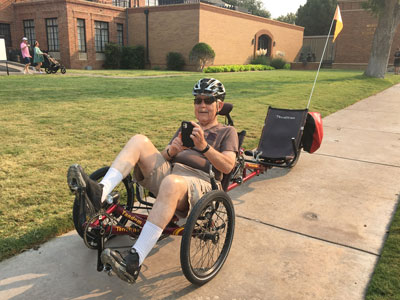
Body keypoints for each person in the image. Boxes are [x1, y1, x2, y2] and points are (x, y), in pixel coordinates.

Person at [67, 78, 239, 284]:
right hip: (173, 174)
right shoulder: (187, 127)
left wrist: (203, 146)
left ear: (218, 105)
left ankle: (134, 260)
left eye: (208, 100)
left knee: (172, 182)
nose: (202, 105)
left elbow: (228, 166)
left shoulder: (228, 132)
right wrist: (171, 151)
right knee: (139, 140)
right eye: (197, 100)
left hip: (200, 183)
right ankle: (100, 193)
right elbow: (164, 157)